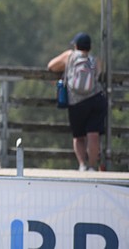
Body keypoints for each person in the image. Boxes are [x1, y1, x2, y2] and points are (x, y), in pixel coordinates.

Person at [47, 32, 107, 171]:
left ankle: (82, 165)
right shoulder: (94, 59)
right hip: (95, 98)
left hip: (76, 101)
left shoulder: (69, 56)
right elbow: (99, 73)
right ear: (89, 47)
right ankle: (92, 166)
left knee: (78, 136)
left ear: (76, 45)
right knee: (93, 134)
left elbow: (51, 66)